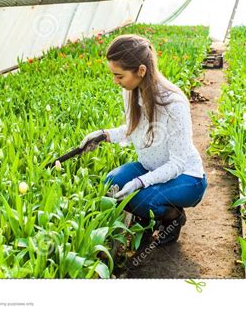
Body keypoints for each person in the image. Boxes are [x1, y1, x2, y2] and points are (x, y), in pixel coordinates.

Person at [80, 34, 207, 246]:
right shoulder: (131, 91)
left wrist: (140, 182)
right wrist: (103, 135)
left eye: (119, 76)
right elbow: (133, 130)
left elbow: (177, 164)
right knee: (110, 183)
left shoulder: (173, 104)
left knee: (143, 199)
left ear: (141, 71)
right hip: (150, 166)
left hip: (187, 177)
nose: (115, 81)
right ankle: (151, 210)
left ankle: (173, 218)